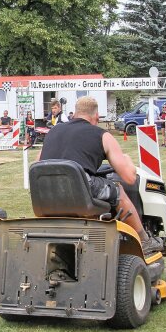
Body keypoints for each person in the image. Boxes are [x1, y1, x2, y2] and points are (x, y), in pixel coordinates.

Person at [38, 96, 150, 245]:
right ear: (96, 116)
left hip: (45, 191)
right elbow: (129, 177)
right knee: (118, 191)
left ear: (75, 114)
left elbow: (38, 164)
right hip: (78, 189)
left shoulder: (52, 132)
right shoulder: (101, 135)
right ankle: (143, 239)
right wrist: (127, 160)